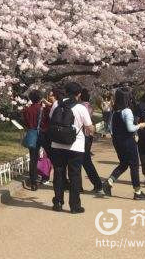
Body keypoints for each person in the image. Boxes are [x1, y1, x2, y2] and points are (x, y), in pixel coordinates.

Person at [49, 81, 95, 213]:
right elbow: (89, 127)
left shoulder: (57, 104)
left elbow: (52, 119)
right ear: (79, 94)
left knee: (58, 173)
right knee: (74, 175)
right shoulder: (81, 108)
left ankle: (57, 202)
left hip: (57, 144)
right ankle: (75, 206)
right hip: (76, 146)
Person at [102, 87, 145, 200]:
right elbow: (130, 128)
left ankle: (109, 181)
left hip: (117, 141)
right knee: (134, 165)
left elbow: (110, 128)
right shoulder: (127, 111)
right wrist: (140, 125)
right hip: (127, 141)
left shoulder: (115, 111)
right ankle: (137, 192)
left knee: (123, 164)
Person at [22, 89, 49, 190]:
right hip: (42, 134)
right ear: (40, 98)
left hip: (32, 134)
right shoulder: (43, 109)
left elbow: (25, 122)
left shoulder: (26, 110)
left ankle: (33, 182)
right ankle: (46, 176)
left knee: (33, 158)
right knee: (48, 156)